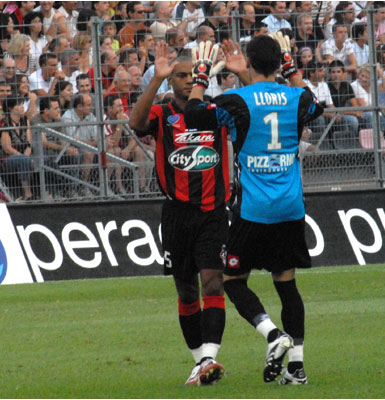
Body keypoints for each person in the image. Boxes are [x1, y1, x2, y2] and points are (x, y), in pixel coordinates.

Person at [185, 34, 323, 385]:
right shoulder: (297, 96)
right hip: (290, 206)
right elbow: (316, 107)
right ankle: (297, 368)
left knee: (232, 280)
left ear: (248, 62)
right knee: (286, 283)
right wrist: (291, 70)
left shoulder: (236, 99)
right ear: (281, 62)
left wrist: (201, 76)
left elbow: (194, 115)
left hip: (253, 208)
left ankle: (273, 334)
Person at [128, 41, 247, 386]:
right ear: (170, 80)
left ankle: (210, 356)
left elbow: (249, 111)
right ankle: (200, 361)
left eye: (189, 75)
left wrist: (240, 76)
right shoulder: (162, 113)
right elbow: (135, 123)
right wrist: (154, 81)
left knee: (213, 280)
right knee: (186, 290)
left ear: (201, 76)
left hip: (213, 212)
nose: (184, 80)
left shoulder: (216, 110)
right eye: (178, 75)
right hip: (177, 214)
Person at [0, 95, 34, 201]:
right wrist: (23, 157)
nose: (22, 107)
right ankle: (28, 193)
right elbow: (7, 148)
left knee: (46, 160)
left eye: (22, 104)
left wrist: (27, 155)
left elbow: (29, 143)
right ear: (10, 108)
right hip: (7, 158)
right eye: (18, 105)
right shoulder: (4, 123)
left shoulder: (25, 121)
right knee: (23, 160)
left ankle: (50, 194)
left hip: (25, 155)